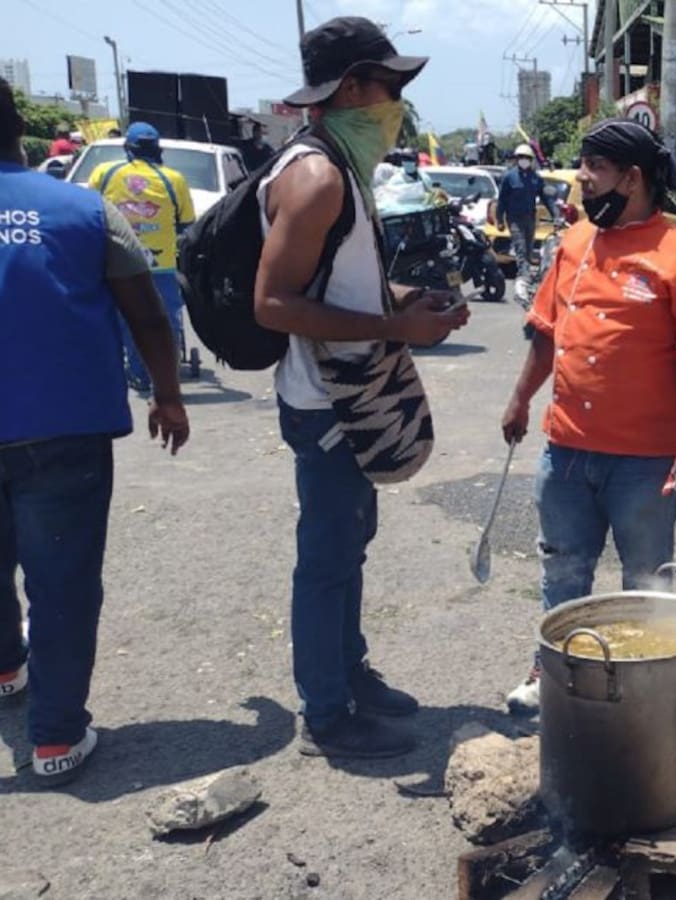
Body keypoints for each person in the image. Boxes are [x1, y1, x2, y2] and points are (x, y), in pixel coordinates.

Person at [255, 16, 469, 759]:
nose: (397, 102)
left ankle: (349, 670)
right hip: (327, 403)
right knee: (328, 555)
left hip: (349, 392)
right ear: (350, 88)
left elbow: (345, 286)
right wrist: (396, 331)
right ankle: (326, 713)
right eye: (389, 86)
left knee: (351, 544)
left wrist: (409, 300)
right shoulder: (315, 177)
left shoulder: (340, 169)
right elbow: (273, 302)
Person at [500, 119, 676, 714]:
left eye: (593, 168)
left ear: (632, 179)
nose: (581, 177)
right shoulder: (575, 243)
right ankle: (552, 674)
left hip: (645, 460)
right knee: (563, 569)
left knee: (645, 581)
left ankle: (639, 695)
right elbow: (547, 333)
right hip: (566, 449)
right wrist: (522, 397)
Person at [0, 77, 190, 785]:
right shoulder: (86, 209)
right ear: (18, 127)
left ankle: (5, 672)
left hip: (56, 427)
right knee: (63, 582)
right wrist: (168, 396)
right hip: (63, 426)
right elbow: (145, 315)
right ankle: (55, 738)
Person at [88, 122, 196, 392]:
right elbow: (186, 221)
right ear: (157, 149)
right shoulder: (174, 179)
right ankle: (166, 376)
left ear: (128, 148)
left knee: (127, 318)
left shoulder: (104, 172)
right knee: (167, 318)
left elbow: (89, 213)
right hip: (161, 263)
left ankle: (139, 373)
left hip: (117, 261)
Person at [495, 143, 558, 301]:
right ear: (517, 159)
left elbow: (546, 198)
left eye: (526, 158)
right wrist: (499, 219)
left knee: (529, 248)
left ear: (531, 160)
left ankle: (525, 276)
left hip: (530, 217)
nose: (524, 160)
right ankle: (523, 277)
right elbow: (502, 200)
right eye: (521, 158)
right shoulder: (509, 177)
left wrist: (556, 215)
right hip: (513, 218)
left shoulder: (536, 178)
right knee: (520, 247)